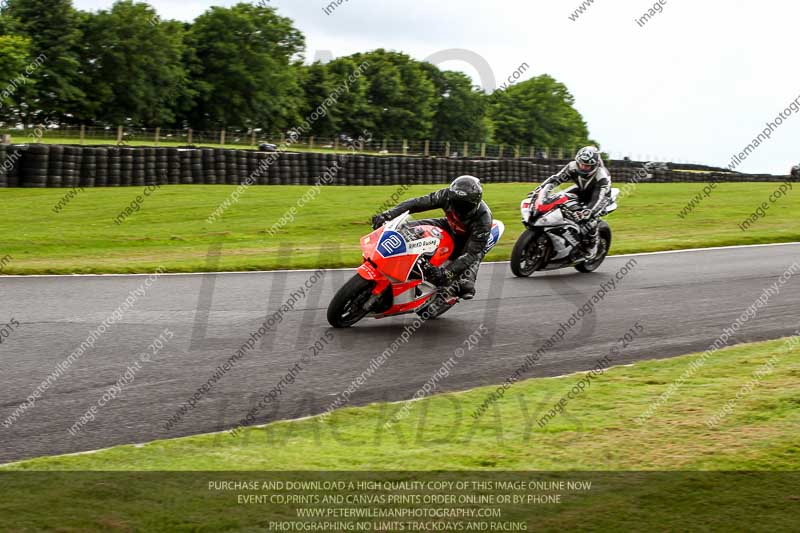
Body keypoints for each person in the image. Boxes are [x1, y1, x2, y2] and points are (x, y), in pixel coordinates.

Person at [371, 175, 491, 300]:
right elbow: (416, 203)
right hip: (449, 225)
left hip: (469, 240)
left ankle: (448, 286)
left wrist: (446, 273)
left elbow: (471, 254)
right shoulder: (445, 195)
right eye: (456, 203)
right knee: (403, 229)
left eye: (464, 206)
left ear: (475, 204)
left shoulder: (483, 220)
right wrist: (389, 215)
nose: (459, 208)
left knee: (466, 287)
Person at [533, 146, 611, 259]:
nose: (583, 167)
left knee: (590, 218)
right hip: (582, 189)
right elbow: (556, 179)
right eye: (581, 164)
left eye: (587, 165)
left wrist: (588, 211)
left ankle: (592, 245)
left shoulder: (602, 177)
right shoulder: (572, 166)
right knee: (558, 197)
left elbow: (598, 198)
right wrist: (540, 189)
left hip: (601, 196)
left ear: (594, 165)